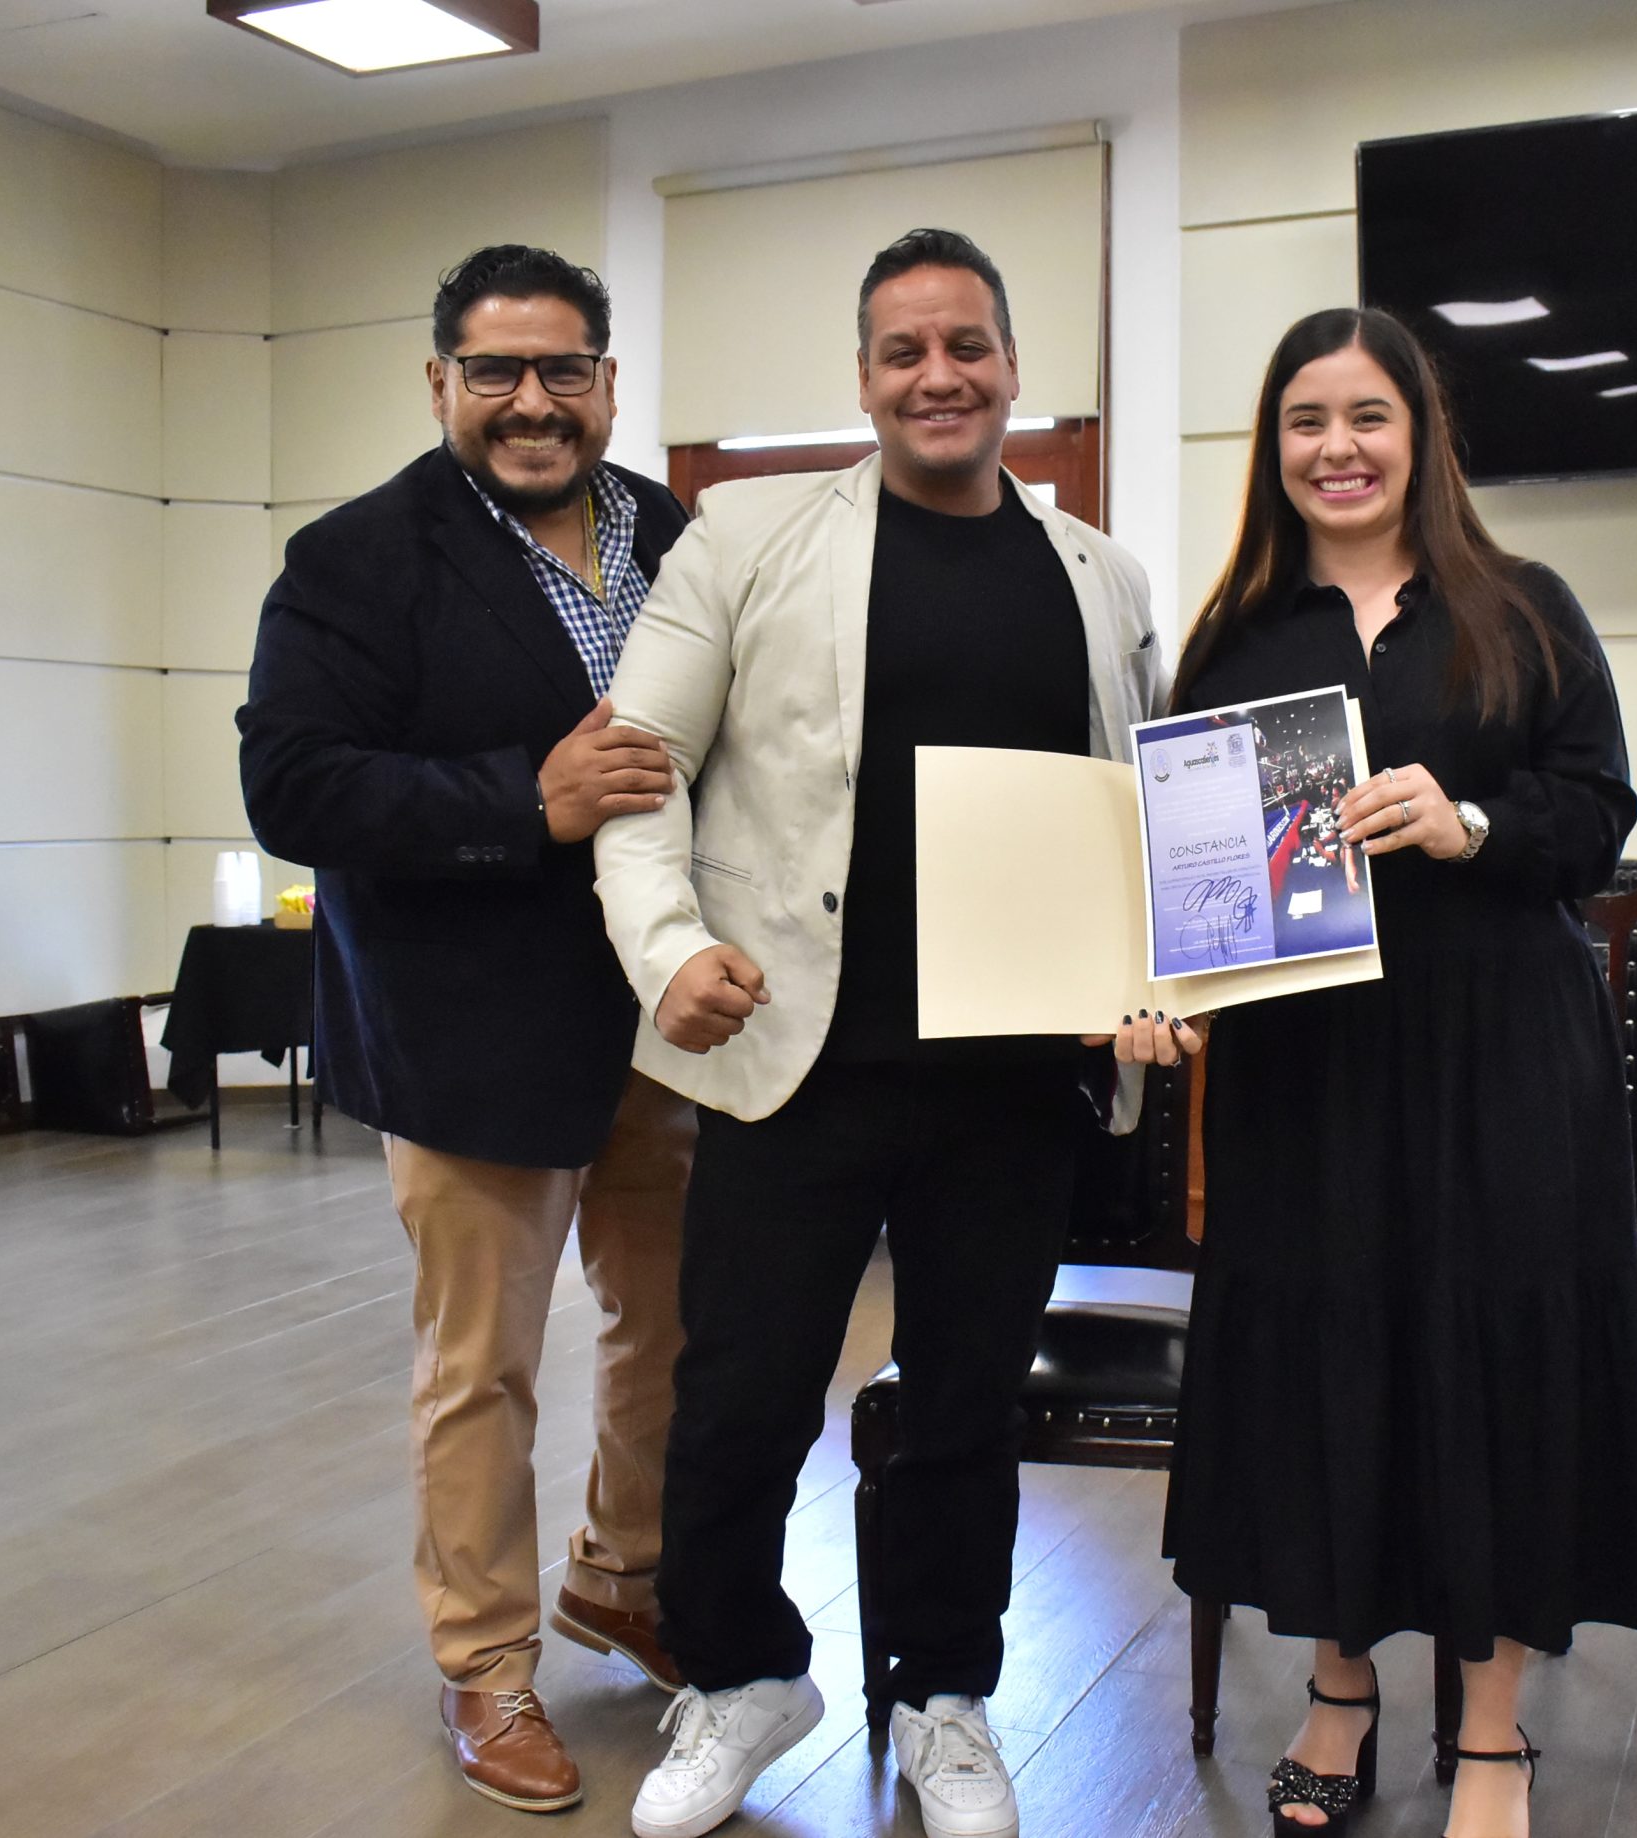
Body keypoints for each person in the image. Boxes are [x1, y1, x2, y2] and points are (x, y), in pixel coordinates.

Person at [593, 228, 1165, 1838]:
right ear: (862, 376)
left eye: (967, 344)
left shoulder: (1101, 576)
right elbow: (637, 772)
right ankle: (742, 1674)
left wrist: (1158, 980)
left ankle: (944, 1694)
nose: (939, 375)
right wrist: (667, 949)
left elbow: (1149, 817)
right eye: (904, 350)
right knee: (739, 1401)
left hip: (1014, 1081)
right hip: (797, 1062)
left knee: (967, 1406)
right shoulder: (746, 537)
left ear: (1013, 366)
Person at [1115, 307, 1637, 1838]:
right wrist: (1159, 993)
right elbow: (1194, 875)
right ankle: (1339, 1692)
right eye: (1306, 419)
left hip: (1506, 1055)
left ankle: (1491, 1732)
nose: (1337, 447)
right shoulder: (1234, 635)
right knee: (1327, 1361)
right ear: (1273, 446)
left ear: (1422, 434)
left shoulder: (1525, 607)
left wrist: (1469, 821)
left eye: (1368, 415)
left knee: (1496, 1362)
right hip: (1310, 1069)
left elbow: (1599, 813)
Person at [239, 244, 699, 1815]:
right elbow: (293, 784)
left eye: (563, 368)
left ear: (608, 383)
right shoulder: (355, 559)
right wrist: (526, 798)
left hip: (670, 1017)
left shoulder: (675, 534)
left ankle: (625, 1574)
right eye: (495, 370)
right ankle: (486, 1663)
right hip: (470, 1031)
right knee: (483, 1365)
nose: (531, 401)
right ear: (441, 380)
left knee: (673, 1326)